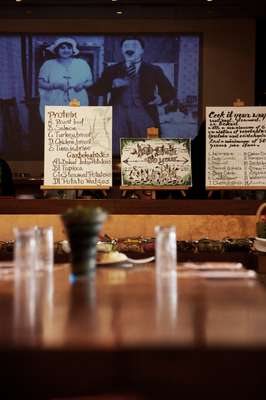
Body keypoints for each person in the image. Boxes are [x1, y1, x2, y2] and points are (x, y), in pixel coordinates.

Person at [89, 36, 177, 155]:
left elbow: (170, 91)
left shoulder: (153, 70)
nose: (129, 49)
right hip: (117, 114)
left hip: (144, 113)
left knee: (146, 148)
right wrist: (112, 84)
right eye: (126, 46)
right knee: (116, 148)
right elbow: (96, 90)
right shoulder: (111, 70)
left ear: (142, 50)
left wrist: (160, 98)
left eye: (134, 46)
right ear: (121, 50)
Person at [38, 37, 93, 122]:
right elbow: (41, 83)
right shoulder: (48, 64)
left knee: (75, 128)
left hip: (77, 100)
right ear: (57, 50)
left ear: (73, 50)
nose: (66, 50)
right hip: (54, 101)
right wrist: (55, 85)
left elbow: (90, 82)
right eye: (62, 48)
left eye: (69, 48)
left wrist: (83, 85)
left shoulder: (82, 64)